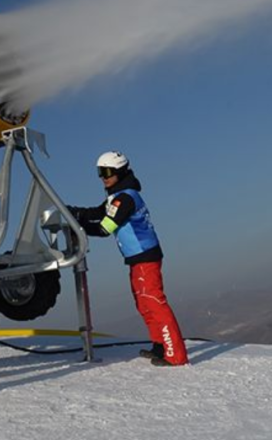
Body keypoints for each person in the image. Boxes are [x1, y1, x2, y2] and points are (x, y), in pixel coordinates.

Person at [69, 151, 189, 366]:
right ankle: (160, 345)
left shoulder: (124, 198)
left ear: (120, 171)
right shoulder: (117, 195)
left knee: (154, 302)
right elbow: (97, 211)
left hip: (145, 257)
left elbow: (105, 227)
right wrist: (71, 212)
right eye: (99, 173)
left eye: (107, 172)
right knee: (143, 303)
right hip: (138, 258)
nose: (103, 177)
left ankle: (175, 355)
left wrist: (78, 227)